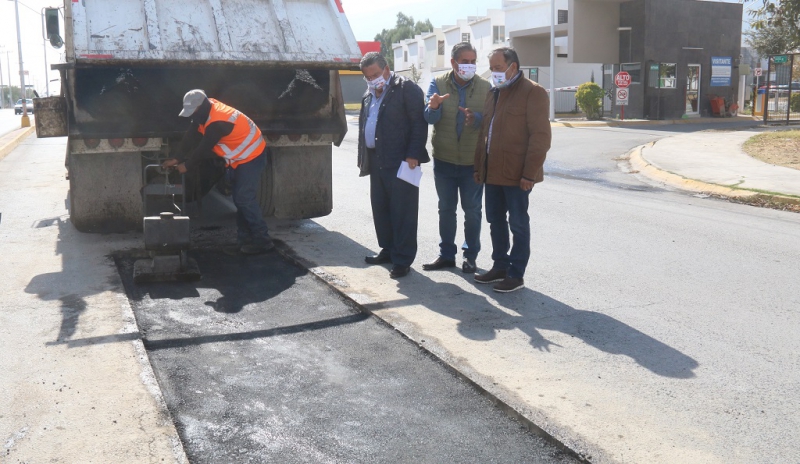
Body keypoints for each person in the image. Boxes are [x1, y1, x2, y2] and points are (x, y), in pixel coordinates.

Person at [473, 47, 551, 293]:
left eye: (497, 68)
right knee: (495, 221)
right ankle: (500, 266)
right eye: (492, 68)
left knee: (518, 223)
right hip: (492, 172)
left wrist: (529, 173)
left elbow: (540, 137)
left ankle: (516, 275)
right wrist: (479, 167)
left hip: (518, 176)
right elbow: (485, 132)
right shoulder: (494, 92)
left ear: (513, 67)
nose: (494, 73)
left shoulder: (533, 92)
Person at [162, 89, 273, 255]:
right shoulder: (205, 112)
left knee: (244, 199)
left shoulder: (218, 121)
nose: (193, 117)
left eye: (194, 112)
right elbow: (191, 136)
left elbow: (203, 148)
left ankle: (262, 241)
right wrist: (177, 158)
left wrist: (187, 166)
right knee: (240, 200)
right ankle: (244, 241)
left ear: (201, 106)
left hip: (252, 156)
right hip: (238, 158)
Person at [357, 52, 429, 278]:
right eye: (368, 77)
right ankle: (388, 249)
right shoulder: (369, 94)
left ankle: (403, 259)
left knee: (403, 211)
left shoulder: (406, 88)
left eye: (376, 74)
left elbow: (419, 123)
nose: (373, 80)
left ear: (386, 70)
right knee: (381, 207)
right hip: (377, 158)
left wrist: (413, 153)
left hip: (402, 161)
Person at [421, 42, 491, 274]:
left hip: (472, 161)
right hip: (444, 160)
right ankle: (446, 255)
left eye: (473, 62)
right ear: (453, 62)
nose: (469, 66)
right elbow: (430, 119)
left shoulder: (485, 86)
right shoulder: (438, 83)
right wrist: (433, 107)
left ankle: (470, 256)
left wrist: (477, 119)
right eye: (465, 62)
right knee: (446, 209)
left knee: (472, 211)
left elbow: (492, 121)